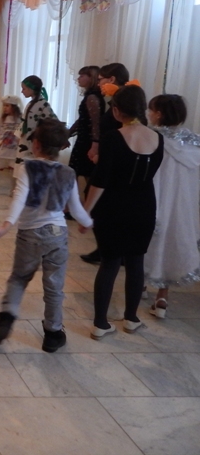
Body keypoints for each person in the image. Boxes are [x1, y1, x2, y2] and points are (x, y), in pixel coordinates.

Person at [0, 119, 94, 352]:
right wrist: (87, 223)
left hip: (30, 234)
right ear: (62, 146)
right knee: (54, 286)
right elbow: (76, 208)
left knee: (19, 278)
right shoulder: (68, 173)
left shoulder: (27, 167)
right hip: (57, 235)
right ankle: (53, 333)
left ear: (35, 144)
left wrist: (6, 225)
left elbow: (19, 197)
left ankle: (6, 318)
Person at [82, 85, 163, 339]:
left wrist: (86, 211)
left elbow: (100, 180)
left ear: (116, 110)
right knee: (136, 262)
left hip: (113, 207)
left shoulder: (113, 138)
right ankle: (131, 318)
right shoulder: (157, 138)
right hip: (144, 206)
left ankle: (100, 323)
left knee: (110, 264)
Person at [143, 94, 200, 318]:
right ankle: (162, 297)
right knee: (170, 245)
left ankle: (140, 285)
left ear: (159, 114)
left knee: (147, 243)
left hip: (153, 199)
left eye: (151, 110)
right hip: (181, 205)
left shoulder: (151, 138)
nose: (148, 114)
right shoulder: (194, 143)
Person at [81, 63, 130, 264]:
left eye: (101, 79)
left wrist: (101, 152)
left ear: (112, 80)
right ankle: (104, 247)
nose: (99, 83)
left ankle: (108, 249)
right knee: (96, 199)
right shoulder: (116, 101)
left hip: (114, 161)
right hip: (109, 156)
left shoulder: (123, 103)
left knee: (99, 201)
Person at [68, 66, 104, 195]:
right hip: (84, 139)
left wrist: (95, 144)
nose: (78, 78)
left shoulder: (92, 97)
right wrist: (68, 134)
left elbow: (95, 123)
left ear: (91, 78)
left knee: (83, 172)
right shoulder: (90, 96)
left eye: (82, 76)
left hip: (87, 141)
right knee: (78, 171)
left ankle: (81, 202)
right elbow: (82, 119)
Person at [16, 75, 58, 172]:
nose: (22, 91)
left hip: (33, 141)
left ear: (32, 89)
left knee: (30, 168)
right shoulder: (32, 103)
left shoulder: (43, 104)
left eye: (24, 89)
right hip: (26, 140)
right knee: (23, 166)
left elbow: (53, 120)